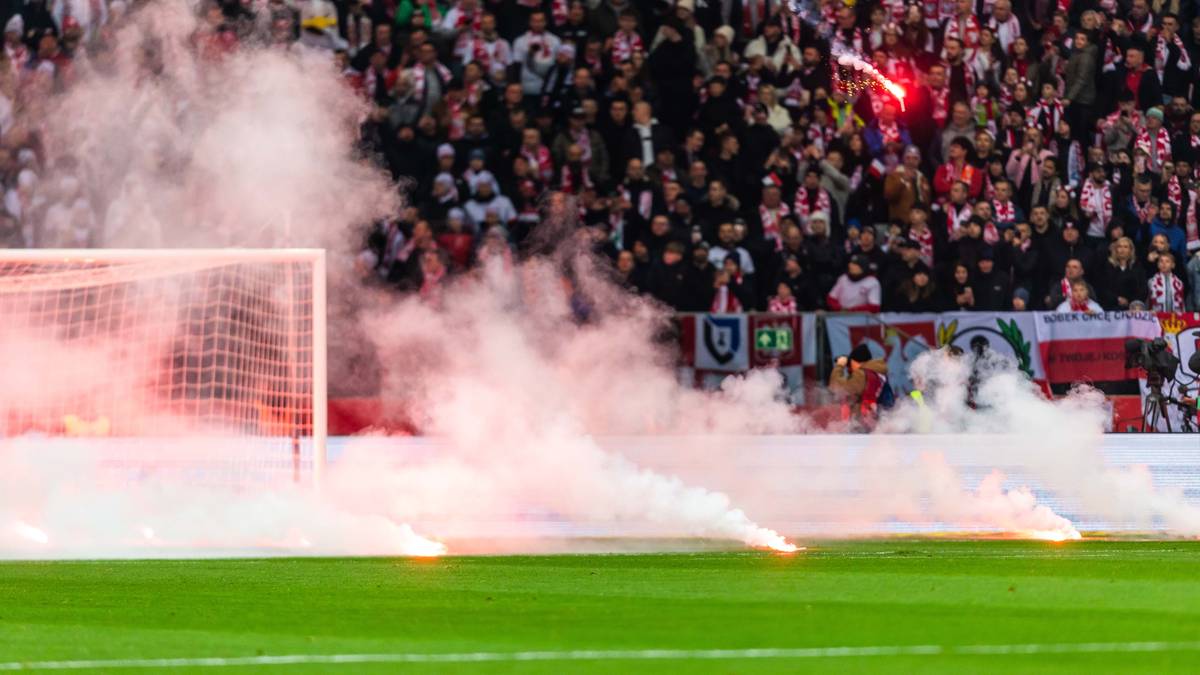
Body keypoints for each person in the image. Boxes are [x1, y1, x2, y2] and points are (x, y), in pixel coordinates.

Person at [829, 343, 891, 428]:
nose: (849, 366)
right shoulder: (877, 373)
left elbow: (837, 386)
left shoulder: (861, 374)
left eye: (851, 362)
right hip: (878, 420)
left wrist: (839, 366)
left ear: (856, 362)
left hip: (864, 425)